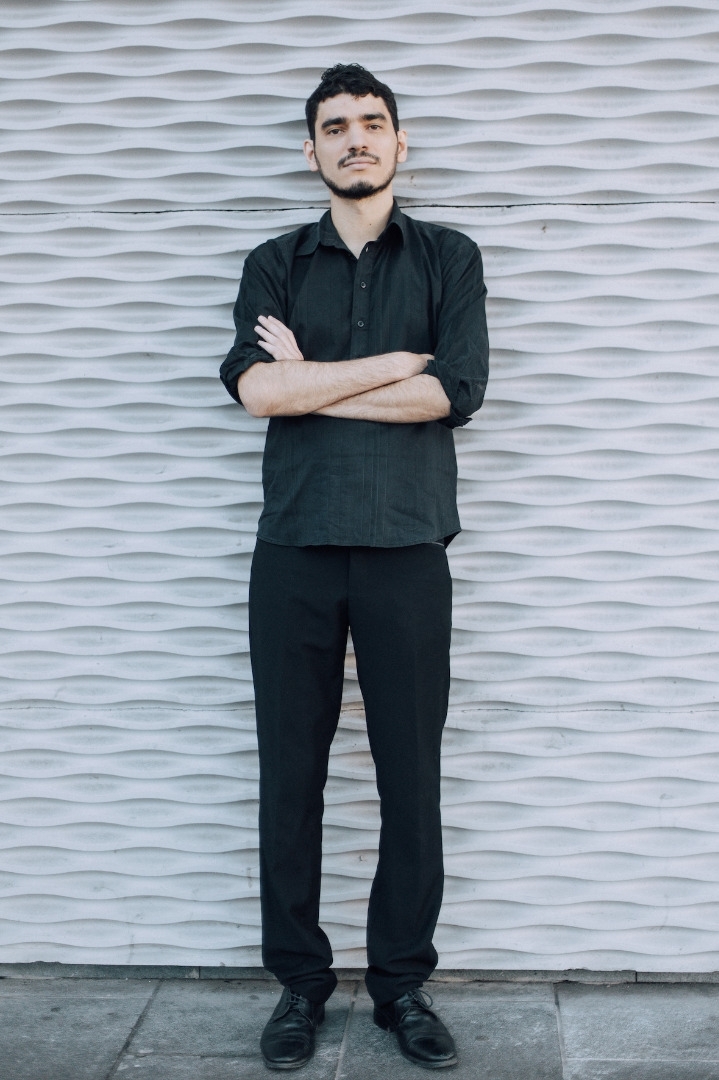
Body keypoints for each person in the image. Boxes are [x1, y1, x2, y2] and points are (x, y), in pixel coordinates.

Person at [220, 62, 489, 1071]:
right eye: (334, 127)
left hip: (407, 548)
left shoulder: (448, 257)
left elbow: (452, 394)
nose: (355, 139)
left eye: (371, 123)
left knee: (408, 778)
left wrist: (311, 379)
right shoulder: (274, 262)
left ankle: (400, 986)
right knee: (288, 776)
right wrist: (389, 365)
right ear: (311, 150)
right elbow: (257, 392)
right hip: (292, 549)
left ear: (398, 141)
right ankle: (298, 986)